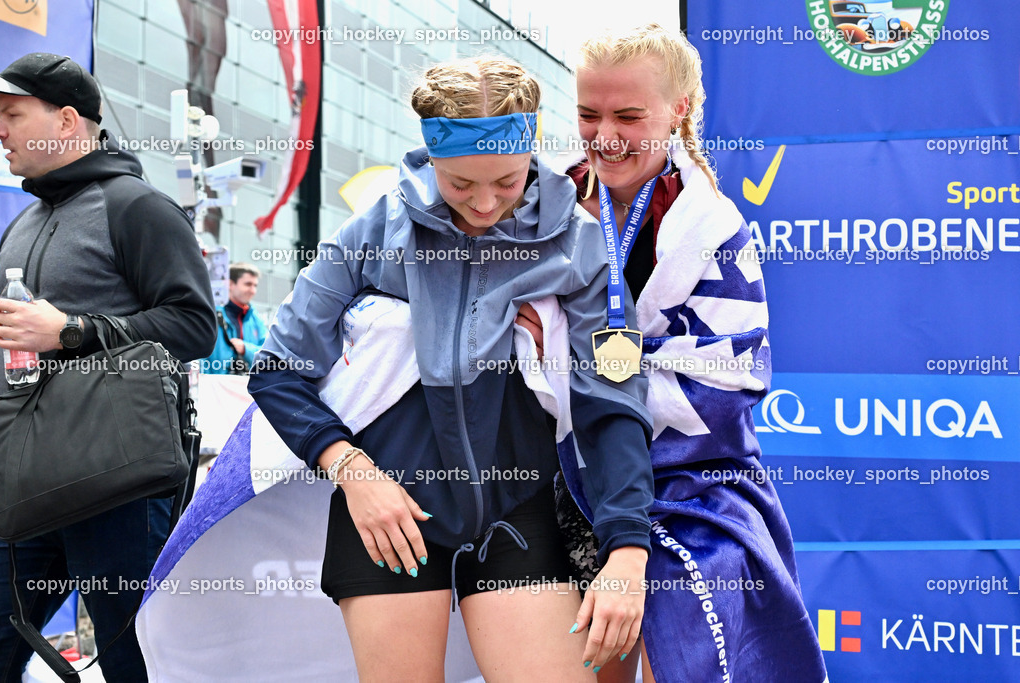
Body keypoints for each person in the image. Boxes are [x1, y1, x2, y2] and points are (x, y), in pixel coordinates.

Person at [247, 55, 654, 681]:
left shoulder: (580, 243)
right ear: (430, 155)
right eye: (461, 184)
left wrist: (627, 548)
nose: (485, 203)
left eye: (508, 182)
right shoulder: (373, 231)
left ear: (532, 152)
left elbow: (616, 394)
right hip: (389, 512)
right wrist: (354, 473)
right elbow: (279, 367)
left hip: (520, 510)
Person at [518, 25, 828, 682]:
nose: (605, 135)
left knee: (684, 631)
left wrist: (576, 367)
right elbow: (494, 334)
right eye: (587, 114)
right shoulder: (536, 209)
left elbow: (727, 376)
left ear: (678, 108)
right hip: (554, 478)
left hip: (694, 486)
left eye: (629, 116)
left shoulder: (715, 228)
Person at [0, 52, 215, 680]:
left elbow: (196, 327)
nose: (0, 131)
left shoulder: (138, 208)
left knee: (135, 657)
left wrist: (71, 330)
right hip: (25, 479)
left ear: (66, 121)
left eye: (12, 114)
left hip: (121, 480)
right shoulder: (22, 223)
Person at [203, 262, 267, 374]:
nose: (253, 291)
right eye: (248, 284)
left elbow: (269, 356)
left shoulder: (256, 319)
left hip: (246, 389)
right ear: (230, 284)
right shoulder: (209, 313)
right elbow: (198, 355)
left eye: (255, 285)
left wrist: (245, 348)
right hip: (212, 388)